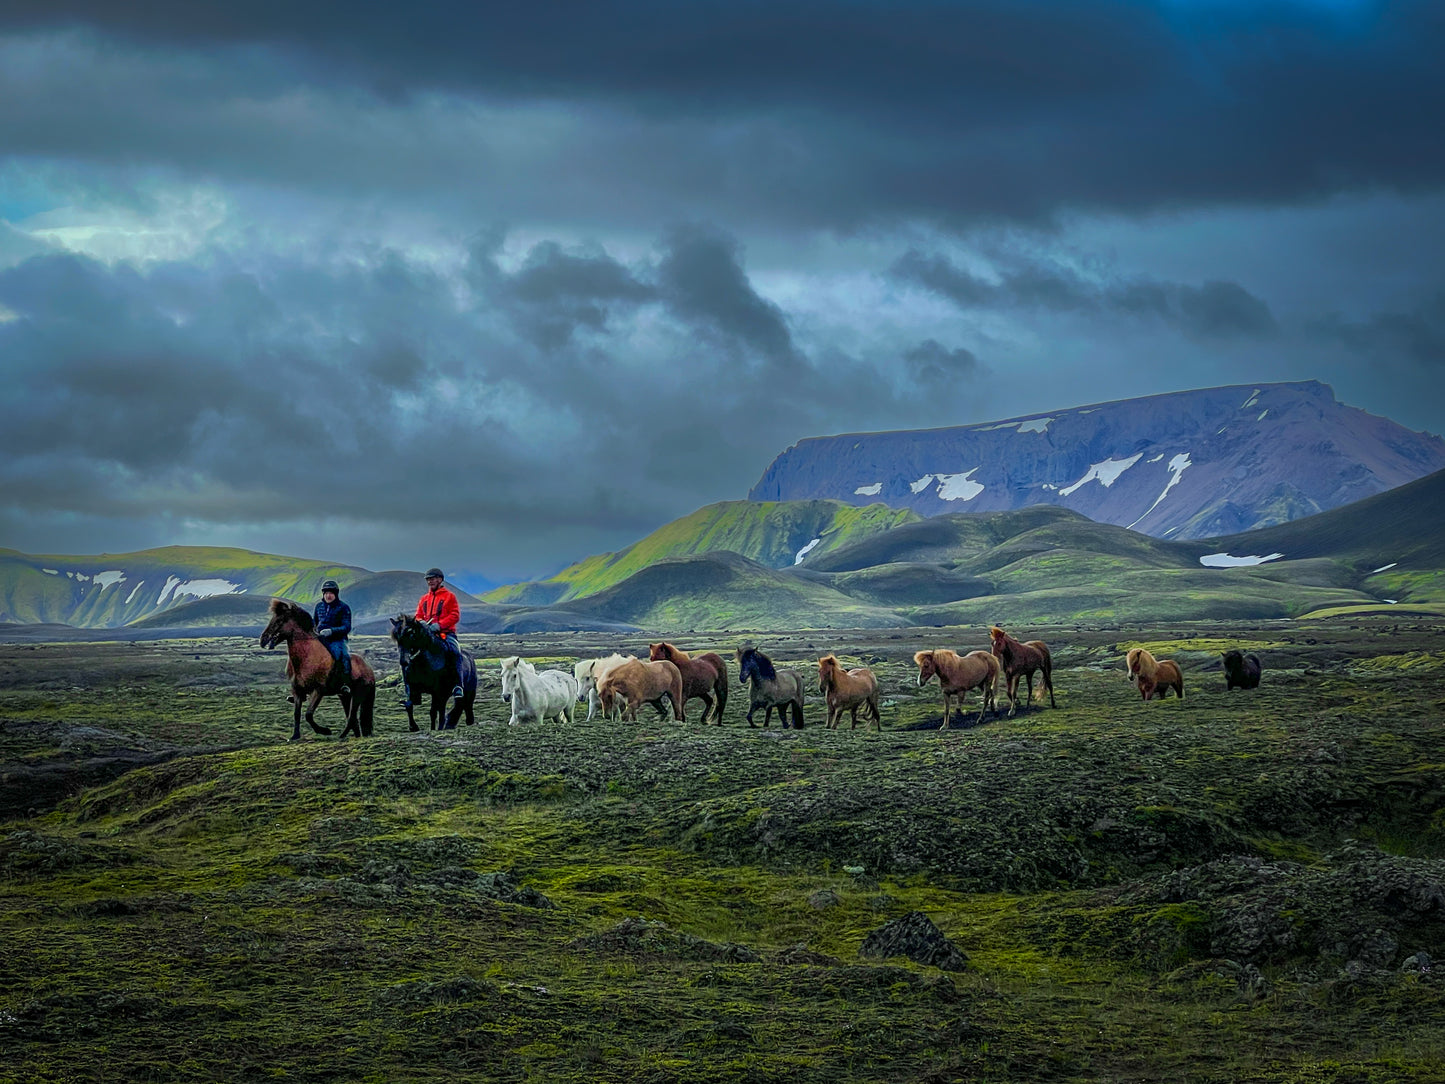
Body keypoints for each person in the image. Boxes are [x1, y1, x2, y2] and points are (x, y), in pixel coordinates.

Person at [416, 567, 465, 700]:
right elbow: (418, 616)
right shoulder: (424, 599)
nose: (430, 582)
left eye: (432, 579)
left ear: (440, 579)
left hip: (446, 634)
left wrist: (439, 625)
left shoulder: (450, 596)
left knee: (455, 652)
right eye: (428, 579)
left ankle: (458, 685)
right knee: (412, 654)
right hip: (428, 635)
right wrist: (422, 623)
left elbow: (455, 615)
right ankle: (412, 688)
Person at [313, 579, 352, 693]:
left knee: (341, 655)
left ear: (335, 594)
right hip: (320, 639)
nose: (328, 595)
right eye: (326, 593)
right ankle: (300, 686)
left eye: (331, 593)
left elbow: (347, 627)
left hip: (337, 640)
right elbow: (314, 623)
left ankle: (344, 683)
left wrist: (331, 631)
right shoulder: (318, 607)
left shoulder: (344, 607)